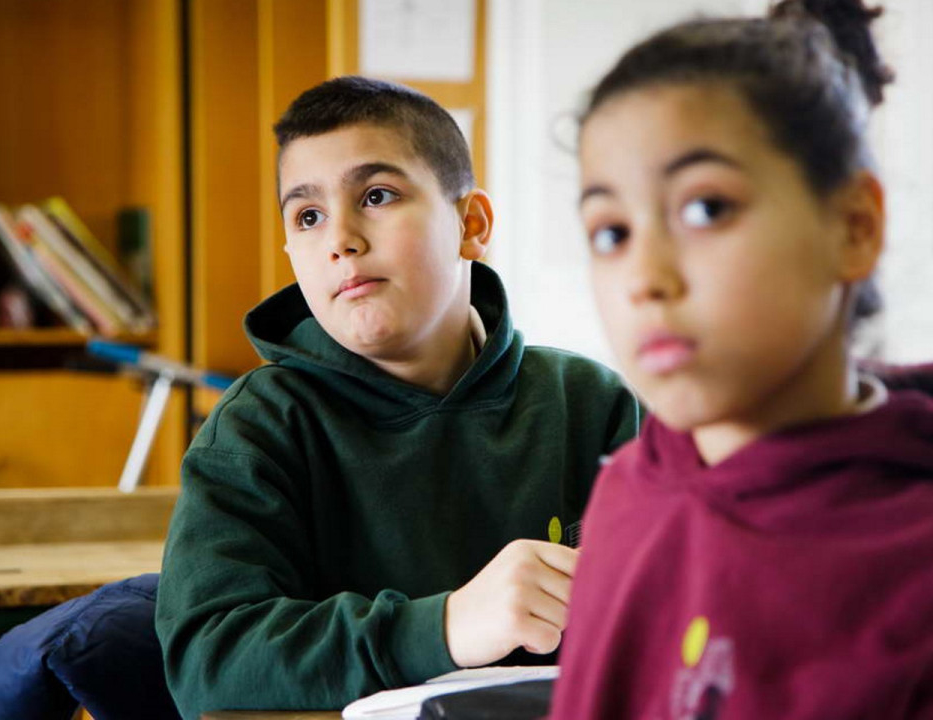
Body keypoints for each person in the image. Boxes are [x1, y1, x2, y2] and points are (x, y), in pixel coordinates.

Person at [155, 76, 640, 718]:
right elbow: (207, 662)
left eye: (376, 196)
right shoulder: (260, 427)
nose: (341, 240)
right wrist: (443, 628)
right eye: (308, 216)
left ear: (470, 224)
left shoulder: (591, 403)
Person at [550, 1, 933, 718]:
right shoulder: (630, 488)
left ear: (855, 227)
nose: (645, 277)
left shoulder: (910, 563)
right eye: (611, 232)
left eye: (706, 209)